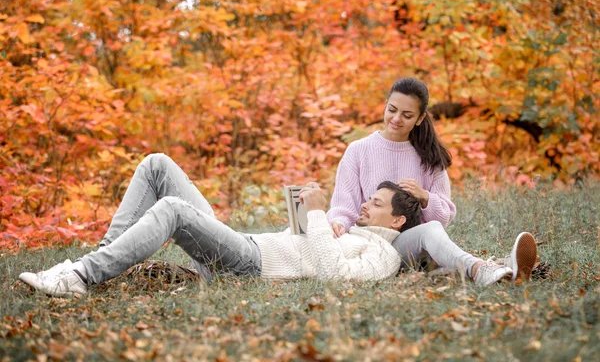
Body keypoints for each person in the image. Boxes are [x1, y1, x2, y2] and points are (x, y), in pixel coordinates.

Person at [19, 155, 536, 298]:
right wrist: (309, 216)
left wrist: (314, 215)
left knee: (173, 212)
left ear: (397, 220)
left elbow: (333, 277)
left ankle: (82, 277)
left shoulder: (385, 255)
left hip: (250, 263)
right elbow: (312, 241)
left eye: (374, 204)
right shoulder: (349, 229)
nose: (361, 207)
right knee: (158, 166)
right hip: (251, 243)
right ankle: (104, 261)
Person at [328, 77, 455, 237]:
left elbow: (443, 218)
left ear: (420, 119)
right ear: (386, 104)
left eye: (407, 115)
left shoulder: (429, 156)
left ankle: (478, 264)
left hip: (411, 245)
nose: (396, 119)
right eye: (392, 110)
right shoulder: (358, 150)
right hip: (367, 241)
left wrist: (424, 197)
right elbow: (344, 208)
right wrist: (339, 224)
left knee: (431, 234)